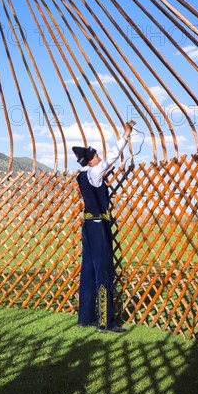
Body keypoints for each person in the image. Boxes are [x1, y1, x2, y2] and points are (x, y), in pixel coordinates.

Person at [72, 120, 136, 333]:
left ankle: (85, 318)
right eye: (95, 156)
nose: (99, 157)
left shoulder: (82, 176)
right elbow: (113, 157)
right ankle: (105, 322)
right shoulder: (95, 173)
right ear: (90, 162)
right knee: (103, 272)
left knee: (88, 271)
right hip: (98, 226)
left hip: (88, 225)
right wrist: (125, 136)